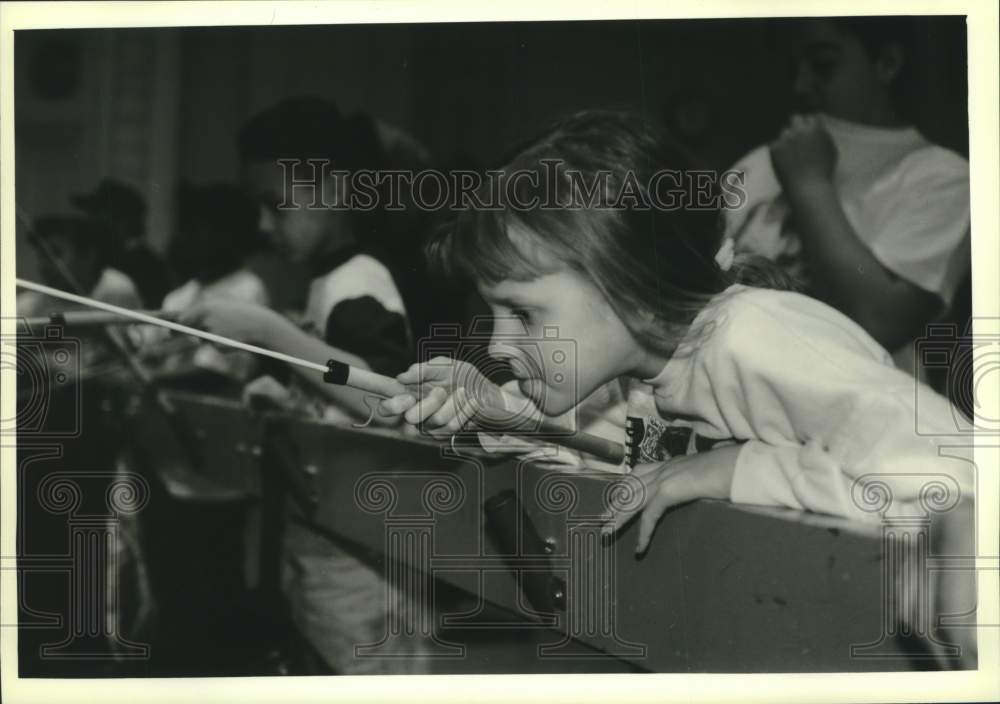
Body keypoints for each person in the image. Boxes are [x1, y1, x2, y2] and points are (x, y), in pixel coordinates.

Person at [379, 109, 976, 666]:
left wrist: (735, 469)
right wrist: (489, 408)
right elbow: (583, 441)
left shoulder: (755, 337)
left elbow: (959, 476)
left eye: (524, 315)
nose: (496, 347)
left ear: (630, 286)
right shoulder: (638, 373)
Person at [178, 97, 431, 675]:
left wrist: (271, 334)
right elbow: (341, 394)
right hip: (332, 540)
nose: (264, 227)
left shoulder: (360, 279)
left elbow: (386, 398)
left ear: (335, 191)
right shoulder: (330, 283)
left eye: (276, 206)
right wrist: (290, 397)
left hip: (364, 559)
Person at [724, 17, 970, 384]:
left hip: (862, 413)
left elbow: (879, 322)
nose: (801, 85)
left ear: (887, 63)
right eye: (793, 69)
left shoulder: (944, 178)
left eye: (823, 64)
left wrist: (809, 186)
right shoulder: (760, 161)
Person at [72, 179, 174, 308]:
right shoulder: (105, 256)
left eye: (97, 214)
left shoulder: (145, 266)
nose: (90, 222)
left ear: (122, 222)